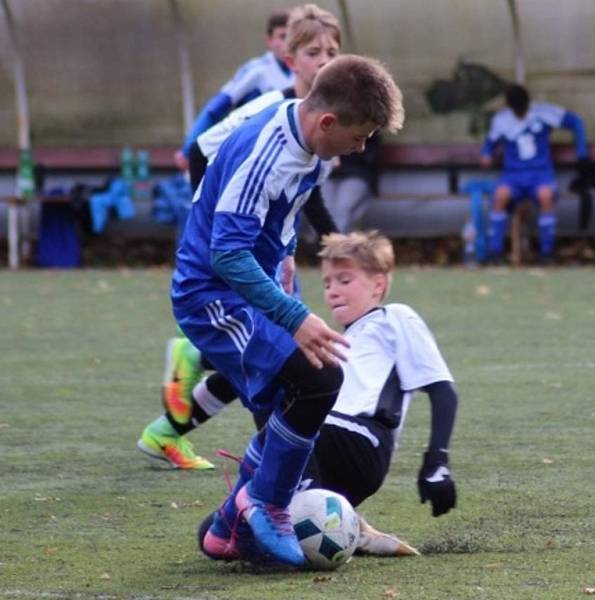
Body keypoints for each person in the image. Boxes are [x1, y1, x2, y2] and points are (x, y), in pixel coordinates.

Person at [170, 55, 404, 566]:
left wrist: (283, 262)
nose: (361, 147)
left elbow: (283, 216)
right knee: (319, 379)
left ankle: (228, 528)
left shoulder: (315, 149)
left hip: (252, 287)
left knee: (289, 400)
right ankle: (265, 505)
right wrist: (295, 316)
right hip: (212, 296)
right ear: (327, 122)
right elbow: (226, 254)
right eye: (359, 136)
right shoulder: (267, 153)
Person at [138, 3, 343, 471]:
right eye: (315, 52)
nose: (326, 60)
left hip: (270, 256)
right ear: (290, 59)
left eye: (334, 51)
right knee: (276, 360)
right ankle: (276, 483)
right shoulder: (269, 111)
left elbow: (298, 193)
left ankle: (167, 430)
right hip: (231, 256)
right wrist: (210, 222)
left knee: (272, 358)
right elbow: (199, 151)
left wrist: (306, 244)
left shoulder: (325, 122)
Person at [194, 231, 459, 560]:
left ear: (378, 284)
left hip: (359, 444)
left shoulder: (394, 318)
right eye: (327, 282)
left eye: (344, 280)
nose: (333, 289)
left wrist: (437, 462)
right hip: (314, 445)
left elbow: (442, 389)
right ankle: (336, 524)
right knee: (211, 536)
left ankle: (332, 518)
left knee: (285, 394)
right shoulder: (331, 341)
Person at [480, 84, 591, 263]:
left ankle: (547, 252)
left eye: (522, 108)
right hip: (513, 175)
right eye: (516, 110)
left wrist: (582, 153)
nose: (520, 112)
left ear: (527, 103)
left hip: (540, 174)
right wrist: (486, 155)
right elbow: (489, 142)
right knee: (500, 196)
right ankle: (495, 252)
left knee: (546, 196)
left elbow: (576, 122)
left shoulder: (544, 112)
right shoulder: (501, 120)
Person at [174, 10, 293, 172]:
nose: (288, 43)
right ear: (269, 40)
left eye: (292, 36)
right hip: (251, 155)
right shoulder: (256, 71)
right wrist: (188, 149)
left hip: (286, 156)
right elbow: (215, 109)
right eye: (282, 36)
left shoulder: (301, 72)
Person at [320, 130, 381, 233]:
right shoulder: (326, 124)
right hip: (328, 175)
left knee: (343, 209)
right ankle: (332, 245)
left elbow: (367, 156)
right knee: (325, 210)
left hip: (357, 174)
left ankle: (335, 246)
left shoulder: (369, 125)